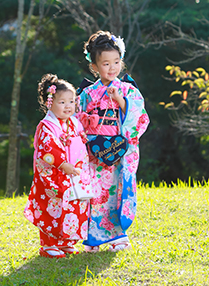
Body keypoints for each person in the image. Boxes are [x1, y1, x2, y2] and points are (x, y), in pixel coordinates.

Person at [78, 31, 149, 252]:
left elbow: (140, 119)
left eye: (116, 62)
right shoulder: (87, 94)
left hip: (120, 149)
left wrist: (120, 100)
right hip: (95, 151)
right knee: (96, 191)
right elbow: (76, 120)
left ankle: (118, 235)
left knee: (119, 189)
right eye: (106, 63)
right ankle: (94, 237)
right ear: (95, 67)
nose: (112, 68)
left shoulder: (129, 90)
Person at [24, 73, 93, 258]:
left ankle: (66, 242)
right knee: (53, 207)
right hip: (54, 176)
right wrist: (63, 165)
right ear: (50, 103)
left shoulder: (74, 123)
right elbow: (47, 150)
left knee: (73, 206)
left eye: (71, 101)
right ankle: (48, 245)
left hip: (73, 174)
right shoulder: (47, 126)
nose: (68, 106)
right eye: (62, 102)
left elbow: (81, 142)